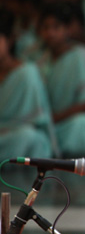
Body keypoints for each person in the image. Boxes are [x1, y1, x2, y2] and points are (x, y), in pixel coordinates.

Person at [37, 2, 85, 156]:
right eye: (45, 28)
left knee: (82, 124)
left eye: (56, 27)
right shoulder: (41, 62)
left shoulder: (81, 56)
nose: (50, 33)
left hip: (73, 121)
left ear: (67, 29)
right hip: (53, 126)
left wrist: (55, 118)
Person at [0, 9, 58, 159]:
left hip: (19, 133)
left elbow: (38, 120)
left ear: (9, 41)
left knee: (29, 137)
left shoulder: (27, 72)